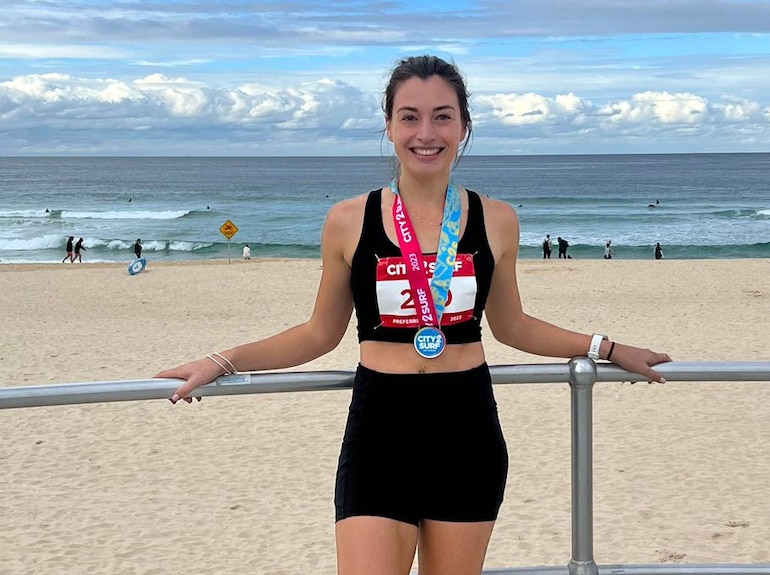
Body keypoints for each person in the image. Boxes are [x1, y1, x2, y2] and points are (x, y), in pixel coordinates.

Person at [155, 55, 670, 575]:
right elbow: (318, 334)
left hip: (467, 429)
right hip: (380, 429)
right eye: (410, 116)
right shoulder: (347, 220)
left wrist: (606, 348)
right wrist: (223, 360)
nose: (426, 132)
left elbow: (513, 326)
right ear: (389, 126)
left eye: (443, 116)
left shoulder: (496, 218)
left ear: (464, 127)